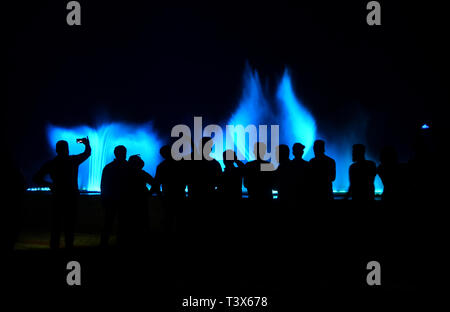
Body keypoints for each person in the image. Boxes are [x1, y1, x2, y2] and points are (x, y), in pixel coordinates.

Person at [33, 137, 91, 249]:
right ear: (67, 149)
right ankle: (69, 247)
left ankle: (54, 247)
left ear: (56, 150)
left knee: (56, 226)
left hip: (57, 197)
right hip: (71, 197)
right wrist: (86, 144)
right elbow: (87, 153)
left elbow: (36, 178)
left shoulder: (51, 164)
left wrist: (49, 185)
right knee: (70, 226)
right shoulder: (73, 160)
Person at [100, 145, 129, 247]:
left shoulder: (108, 167)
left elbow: (103, 185)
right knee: (123, 223)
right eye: (123, 152)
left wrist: (103, 198)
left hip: (111, 199)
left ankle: (104, 243)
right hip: (125, 200)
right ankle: (121, 242)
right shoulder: (129, 167)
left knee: (108, 222)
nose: (124, 154)